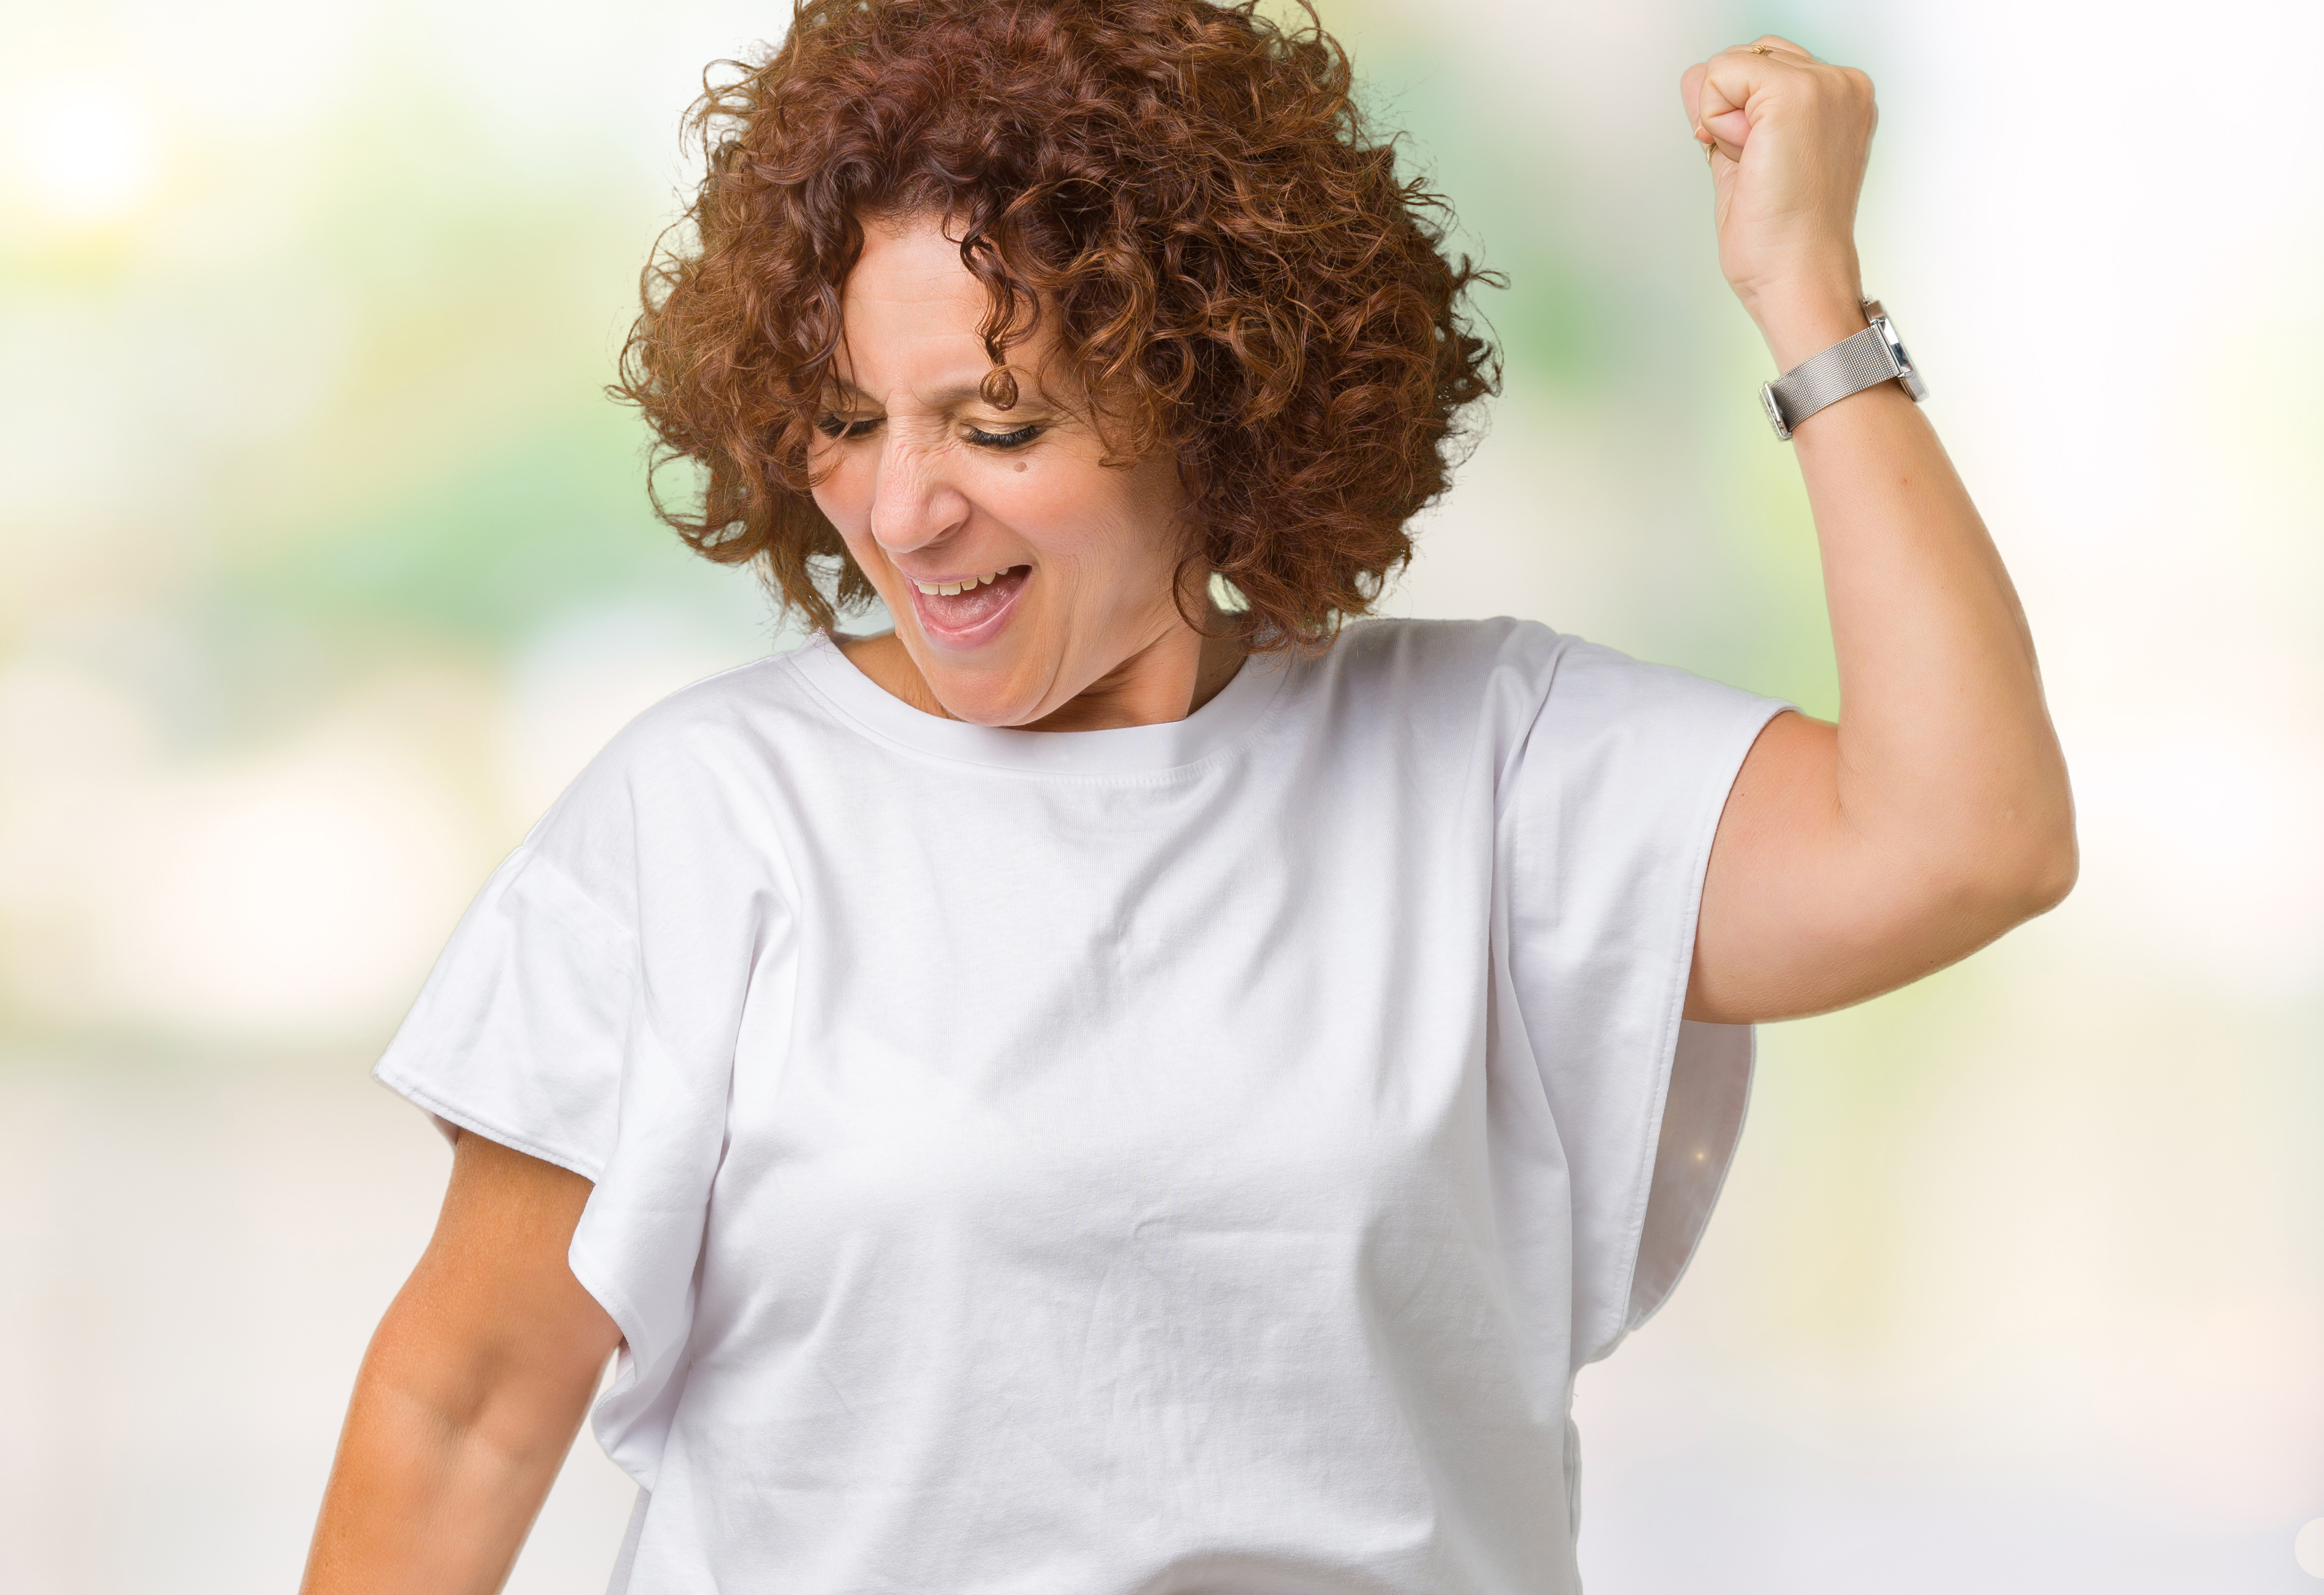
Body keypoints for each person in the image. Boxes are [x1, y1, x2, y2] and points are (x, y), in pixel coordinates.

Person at [298, 2, 2075, 1590]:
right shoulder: (709, 815)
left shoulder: (1487, 765)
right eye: (851, 419)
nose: (900, 512)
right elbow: (462, 1410)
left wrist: (1807, 302)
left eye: (996, 427)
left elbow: (1967, 842)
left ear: (1212, 402)